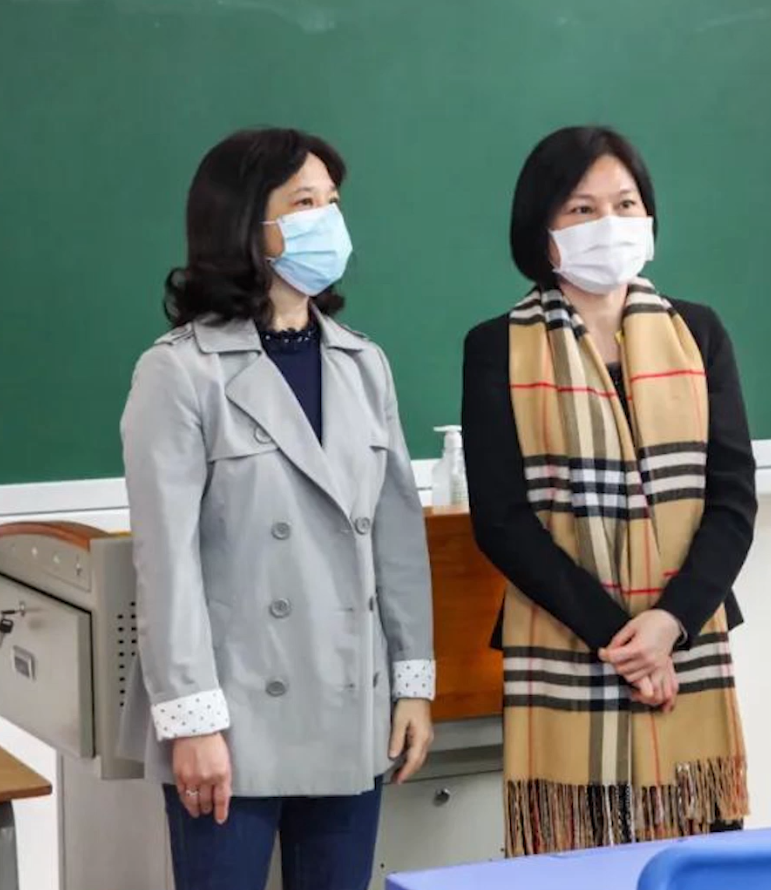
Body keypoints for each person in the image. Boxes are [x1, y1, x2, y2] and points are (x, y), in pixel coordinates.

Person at [118, 127, 436, 890]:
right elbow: (166, 563)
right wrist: (192, 721)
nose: (328, 219)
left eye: (332, 201)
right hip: (232, 717)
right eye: (303, 203)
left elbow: (396, 539)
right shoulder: (180, 372)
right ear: (244, 225)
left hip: (351, 703)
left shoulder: (364, 363)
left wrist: (412, 685)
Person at [461, 126, 756, 855]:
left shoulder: (698, 333)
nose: (609, 224)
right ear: (542, 231)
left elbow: (732, 501)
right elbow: (502, 520)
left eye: (625, 204)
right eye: (582, 209)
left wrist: (669, 626)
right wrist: (621, 641)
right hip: (567, 642)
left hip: (687, 639)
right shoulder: (496, 346)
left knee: (695, 861)